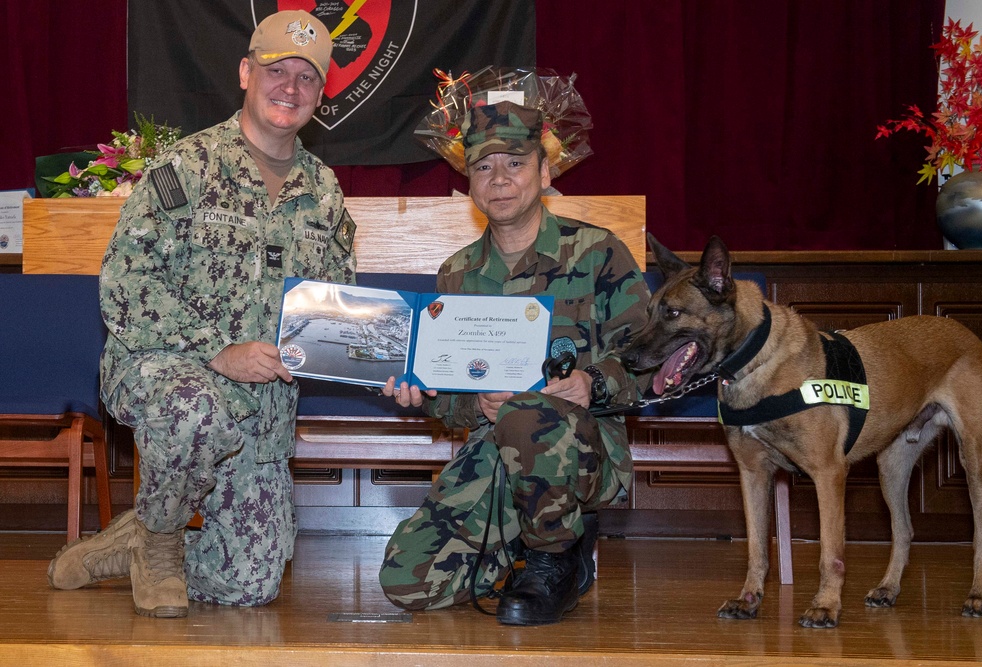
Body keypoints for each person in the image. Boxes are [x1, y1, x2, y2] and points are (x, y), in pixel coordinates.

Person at [47, 10, 357, 618]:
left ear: (321, 94)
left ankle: (130, 538)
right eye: (276, 71)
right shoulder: (186, 168)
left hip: (260, 411)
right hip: (163, 373)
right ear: (245, 72)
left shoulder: (324, 191)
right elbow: (125, 281)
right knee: (196, 409)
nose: (289, 88)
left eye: (306, 78)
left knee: (251, 586)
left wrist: (377, 359)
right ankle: (160, 542)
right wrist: (218, 349)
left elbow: (335, 301)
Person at [378, 101, 651, 625]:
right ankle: (530, 540)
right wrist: (464, 402)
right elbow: (447, 398)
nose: (499, 179)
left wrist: (591, 383)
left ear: (545, 172)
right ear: (470, 183)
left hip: (587, 451)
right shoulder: (456, 274)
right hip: (498, 449)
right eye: (483, 166)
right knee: (408, 582)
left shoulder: (597, 253)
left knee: (529, 412)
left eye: (515, 163)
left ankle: (554, 559)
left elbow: (646, 358)